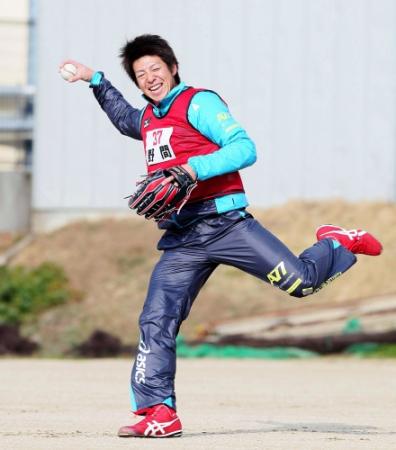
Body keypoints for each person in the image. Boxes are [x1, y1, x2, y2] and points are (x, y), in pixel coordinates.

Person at [60, 34, 382, 438]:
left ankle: (337, 241)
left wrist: (193, 169)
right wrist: (96, 80)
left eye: (155, 69)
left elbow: (244, 148)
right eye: (141, 74)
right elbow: (126, 118)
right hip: (182, 236)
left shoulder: (198, 102)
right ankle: (159, 412)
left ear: (173, 68)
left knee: (302, 283)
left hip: (226, 224)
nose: (150, 78)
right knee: (156, 319)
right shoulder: (149, 119)